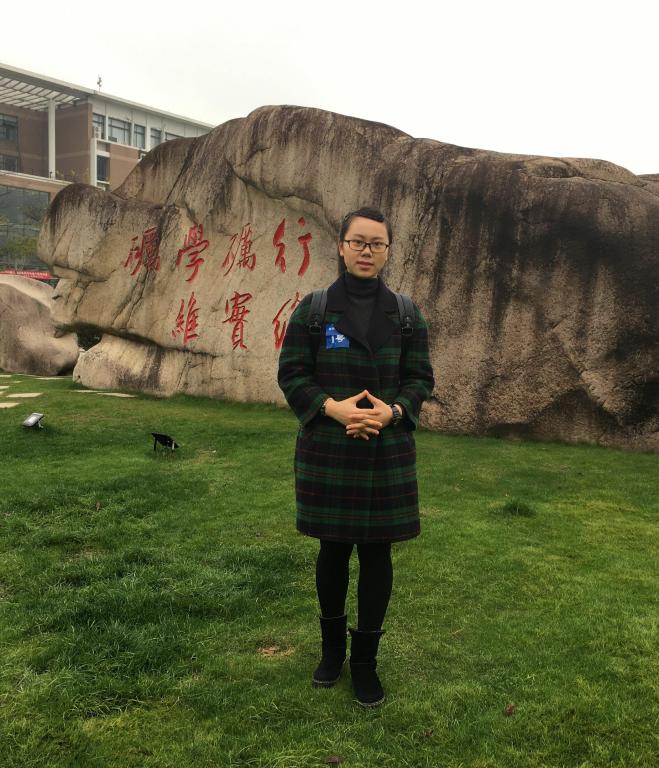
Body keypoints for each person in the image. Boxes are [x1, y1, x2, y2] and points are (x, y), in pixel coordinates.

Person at [277, 206, 435, 707]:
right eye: (358, 242)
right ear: (342, 246)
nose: (367, 251)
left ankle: (365, 663)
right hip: (330, 448)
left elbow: (420, 378)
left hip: (387, 450)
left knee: (377, 555)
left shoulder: (406, 314)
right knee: (332, 551)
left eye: (377, 244)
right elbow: (292, 374)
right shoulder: (314, 309)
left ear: (388, 251)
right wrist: (333, 408)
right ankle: (331, 654)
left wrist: (394, 411)